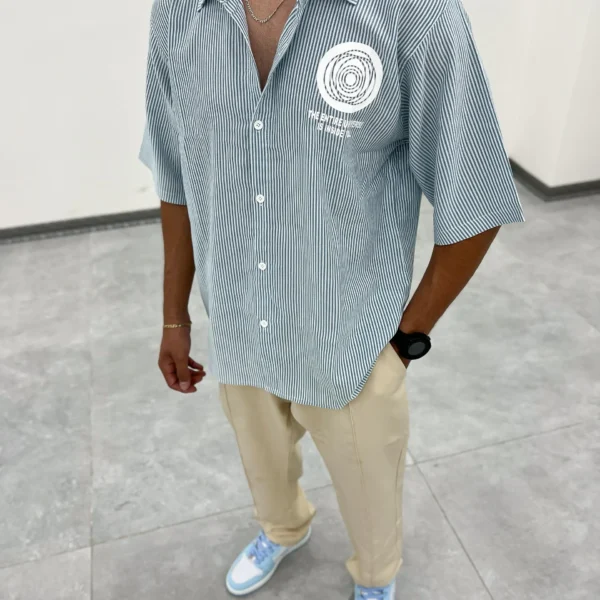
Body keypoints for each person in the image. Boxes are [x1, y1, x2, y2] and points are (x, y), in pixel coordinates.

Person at [140, 0, 524, 597]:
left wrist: (404, 342)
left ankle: (376, 577)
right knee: (263, 464)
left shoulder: (415, 15)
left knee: (369, 491)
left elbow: (476, 196)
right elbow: (176, 174)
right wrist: (174, 316)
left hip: (352, 342)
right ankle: (283, 528)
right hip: (239, 323)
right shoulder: (179, 12)